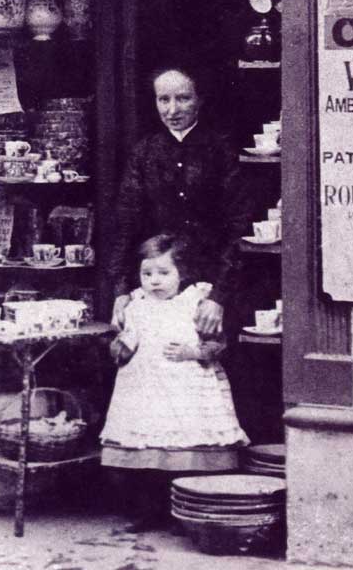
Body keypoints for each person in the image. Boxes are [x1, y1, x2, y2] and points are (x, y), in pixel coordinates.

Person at [99, 233, 248, 528]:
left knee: (184, 449)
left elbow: (219, 343)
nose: (155, 281)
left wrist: (193, 351)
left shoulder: (194, 302)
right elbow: (123, 345)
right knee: (148, 449)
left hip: (185, 389)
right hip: (145, 390)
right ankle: (150, 511)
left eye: (164, 273)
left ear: (183, 274)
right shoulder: (136, 305)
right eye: (147, 274)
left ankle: (186, 511)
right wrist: (121, 346)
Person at [110, 65, 253, 336]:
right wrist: (120, 290)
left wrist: (218, 297)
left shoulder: (221, 151)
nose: (172, 110)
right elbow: (126, 224)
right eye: (163, 100)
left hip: (210, 284)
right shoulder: (145, 153)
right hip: (155, 284)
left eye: (183, 98)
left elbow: (239, 226)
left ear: (200, 99)